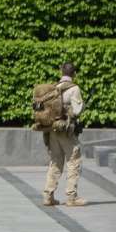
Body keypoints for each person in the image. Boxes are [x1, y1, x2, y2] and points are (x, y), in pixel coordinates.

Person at [42, 62, 87, 207]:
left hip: (53, 131)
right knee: (74, 160)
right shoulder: (74, 89)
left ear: (62, 72)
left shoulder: (54, 88)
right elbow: (77, 110)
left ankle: (48, 196)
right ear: (74, 74)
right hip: (66, 130)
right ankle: (71, 197)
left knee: (55, 162)